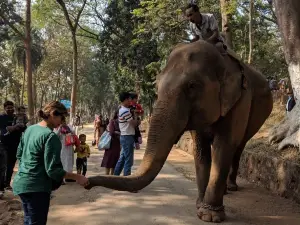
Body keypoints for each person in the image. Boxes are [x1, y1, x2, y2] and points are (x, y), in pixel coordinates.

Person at [13, 101, 89, 225]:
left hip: (22, 184)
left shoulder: (30, 129)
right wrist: (77, 176)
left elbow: (19, 155)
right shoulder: (50, 137)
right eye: (62, 117)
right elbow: (53, 170)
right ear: (53, 114)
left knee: (29, 220)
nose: (62, 121)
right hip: (37, 188)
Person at [0, 101, 26, 191]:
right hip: (3, 145)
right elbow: (5, 130)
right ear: (5, 109)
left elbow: (23, 128)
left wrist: (20, 125)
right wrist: (15, 127)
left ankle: (7, 184)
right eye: (8, 108)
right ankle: (1, 187)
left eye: (11, 107)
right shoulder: (2, 117)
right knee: (3, 166)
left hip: (15, 144)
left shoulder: (18, 117)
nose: (10, 109)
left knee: (11, 165)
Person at [114, 92, 139, 176]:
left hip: (125, 136)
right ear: (125, 100)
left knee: (123, 158)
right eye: (129, 99)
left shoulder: (124, 110)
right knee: (128, 160)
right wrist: (135, 115)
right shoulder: (125, 111)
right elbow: (134, 124)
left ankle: (115, 177)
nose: (130, 101)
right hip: (127, 137)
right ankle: (126, 179)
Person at [55, 119, 76, 183]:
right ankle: (62, 178)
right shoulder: (57, 128)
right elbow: (56, 135)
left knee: (70, 162)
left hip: (69, 147)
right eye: (62, 121)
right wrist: (60, 128)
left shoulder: (69, 127)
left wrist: (70, 129)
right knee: (63, 162)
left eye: (64, 121)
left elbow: (73, 133)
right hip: (62, 148)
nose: (64, 122)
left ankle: (69, 177)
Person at [101, 111, 121, 175]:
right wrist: (117, 133)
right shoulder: (113, 121)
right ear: (117, 114)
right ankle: (106, 176)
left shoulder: (122, 123)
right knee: (109, 160)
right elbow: (111, 132)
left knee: (115, 160)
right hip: (111, 144)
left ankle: (112, 177)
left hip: (118, 144)